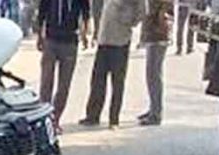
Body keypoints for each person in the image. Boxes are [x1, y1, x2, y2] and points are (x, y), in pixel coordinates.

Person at [79, 0, 144, 128]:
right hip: (104, 39)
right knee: (97, 80)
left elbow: (142, 10)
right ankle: (93, 116)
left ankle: (114, 119)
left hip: (120, 40)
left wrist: (129, 20)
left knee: (117, 82)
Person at [37, 0, 90, 133]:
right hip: (51, 40)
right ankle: (44, 119)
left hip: (70, 41)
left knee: (64, 85)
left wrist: (84, 34)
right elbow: (42, 11)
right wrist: (39, 36)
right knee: (46, 82)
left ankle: (55, 120)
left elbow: (86, 12)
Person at [138, 0, 173, 126]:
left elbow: (166, 5)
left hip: (158, 34)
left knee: (153, 75)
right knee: (152, 75)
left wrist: (161, 19)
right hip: (154, 32)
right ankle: (153, 108)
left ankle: (156, 113)